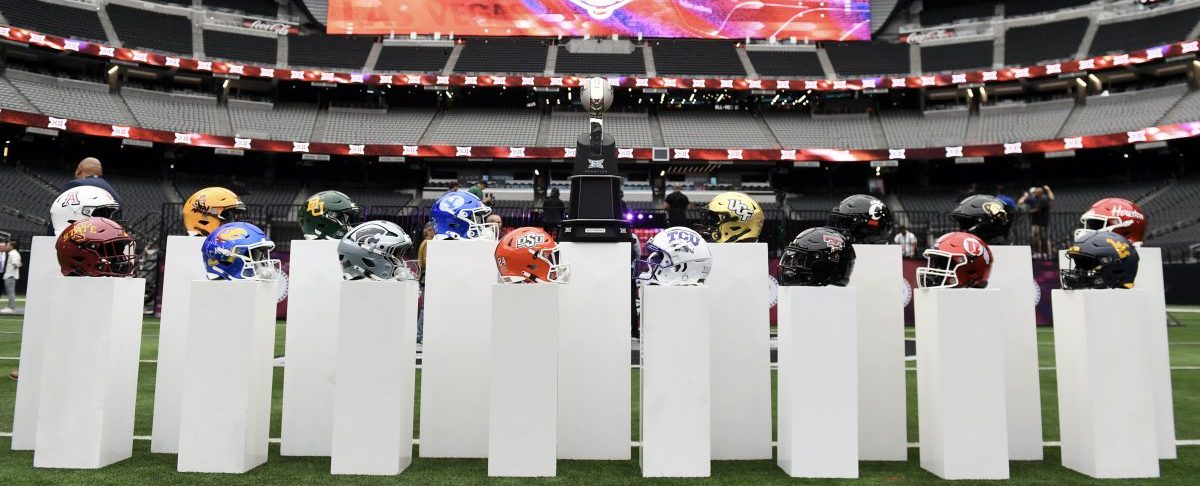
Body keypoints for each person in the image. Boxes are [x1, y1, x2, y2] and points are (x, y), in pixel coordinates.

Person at [1019, 185, 1055, 257]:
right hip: (1035, 222)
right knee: (1036, 239)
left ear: (1040, 193)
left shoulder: (1044, 198)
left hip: (1042, 222)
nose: (1034, 193)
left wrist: (1048, 190)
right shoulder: (1033, 198)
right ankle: (1040, 253)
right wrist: (1026, 196)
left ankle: (1047, 254)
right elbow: (1020, 202)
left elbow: (1038, 209)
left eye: (1035, 192)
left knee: (1044, 238)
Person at [416, 222, 435, 345]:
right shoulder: (429, 243)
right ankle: (420, 334)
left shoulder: (426, 242)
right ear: (428, 231)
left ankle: (420, 333)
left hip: (425, 276)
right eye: (433, 230)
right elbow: (426, 262)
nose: (435, 232)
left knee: (426, 306)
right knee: (426, 307)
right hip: (427, 276)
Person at [1, 240, 18, 314]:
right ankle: (11, 307)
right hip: (10, 275)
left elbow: (16, 264)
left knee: (10, 292)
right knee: (10, 292)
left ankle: (11, 307)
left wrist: (12, 272)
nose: (6, 246)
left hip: (10, 276)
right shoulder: (13, 253)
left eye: (7, 245)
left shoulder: (12, 254)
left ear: (11, 246)